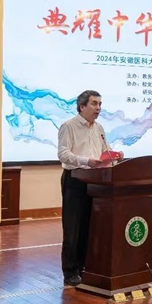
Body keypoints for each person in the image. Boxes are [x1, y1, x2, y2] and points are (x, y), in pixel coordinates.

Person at [57, 90, 122, 286]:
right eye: (94, 104)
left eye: (100, 104)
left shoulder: (99, 128)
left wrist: (115, 156)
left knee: (88, 227)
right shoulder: (69, 126)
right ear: (82, 106)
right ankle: (70, 272)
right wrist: (86, 161)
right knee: (73, 228)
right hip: (75, 180)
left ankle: (83, 267)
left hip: (95, 181)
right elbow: (63, 154)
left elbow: (104, 152)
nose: (98, 108)